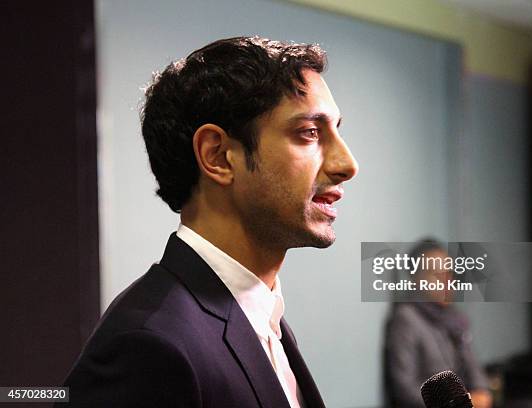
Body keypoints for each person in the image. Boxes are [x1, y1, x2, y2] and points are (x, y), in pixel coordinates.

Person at [59, 36, 358, 407]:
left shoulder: (262, 317)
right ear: (217, 155)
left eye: (336, 131)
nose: (347, 165)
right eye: (310, 133)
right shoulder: (147, 346)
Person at [384, 240, 492, 408]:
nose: (447, 281)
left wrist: (482, 391)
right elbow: (404, 389)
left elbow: (473, 366)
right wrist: (459, 402)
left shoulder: (453, 317)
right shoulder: (406, 319)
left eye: (448, 273)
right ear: (417, 279)